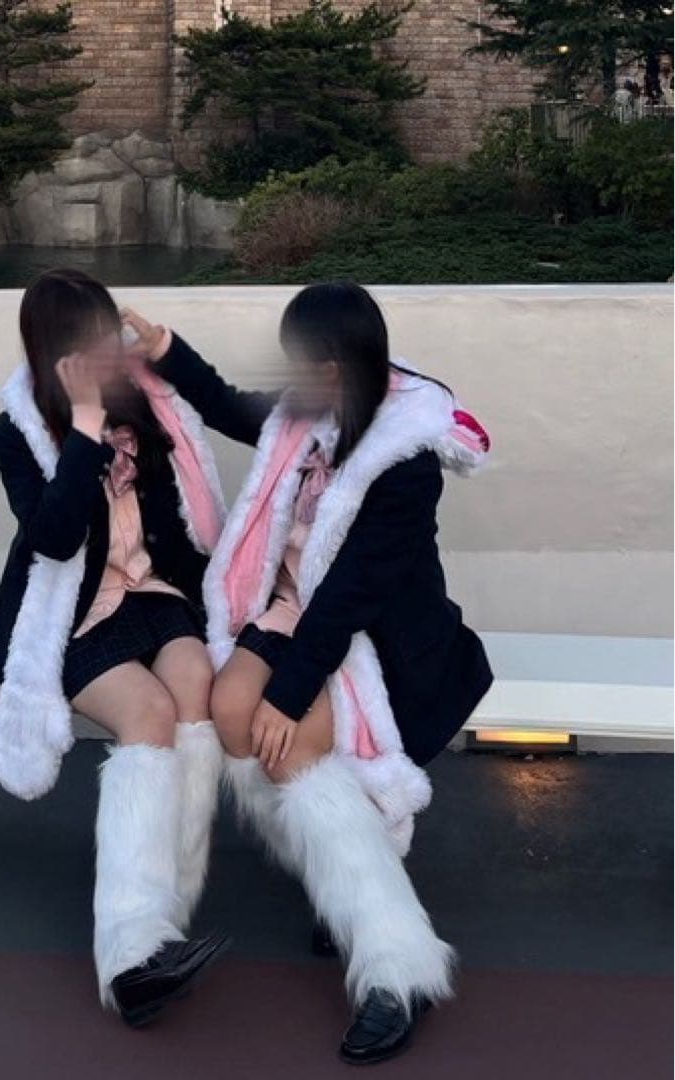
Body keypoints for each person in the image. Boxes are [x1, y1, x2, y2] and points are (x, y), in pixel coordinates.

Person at [123, 282, 493, 1065]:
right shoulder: (315, 413)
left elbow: (353, 593)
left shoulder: (404, 459)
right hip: (289, 607)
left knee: (286, 743)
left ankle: (397, 965)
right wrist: (166, 353)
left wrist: (289, 696)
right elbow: (232, 408)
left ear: (332, 367)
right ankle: (338, 877)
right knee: (230, 712)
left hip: (369, 635)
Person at [0, 269, 230, 1025]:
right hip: (73, 614)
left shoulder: (146, 402)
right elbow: (54, 541)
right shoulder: (15, 433)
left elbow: (227, 424)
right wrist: (85, 431)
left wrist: (162, 356)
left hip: (152, 595)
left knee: (198, 689)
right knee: (148, 714)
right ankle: (129, 954)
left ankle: (171, 905)